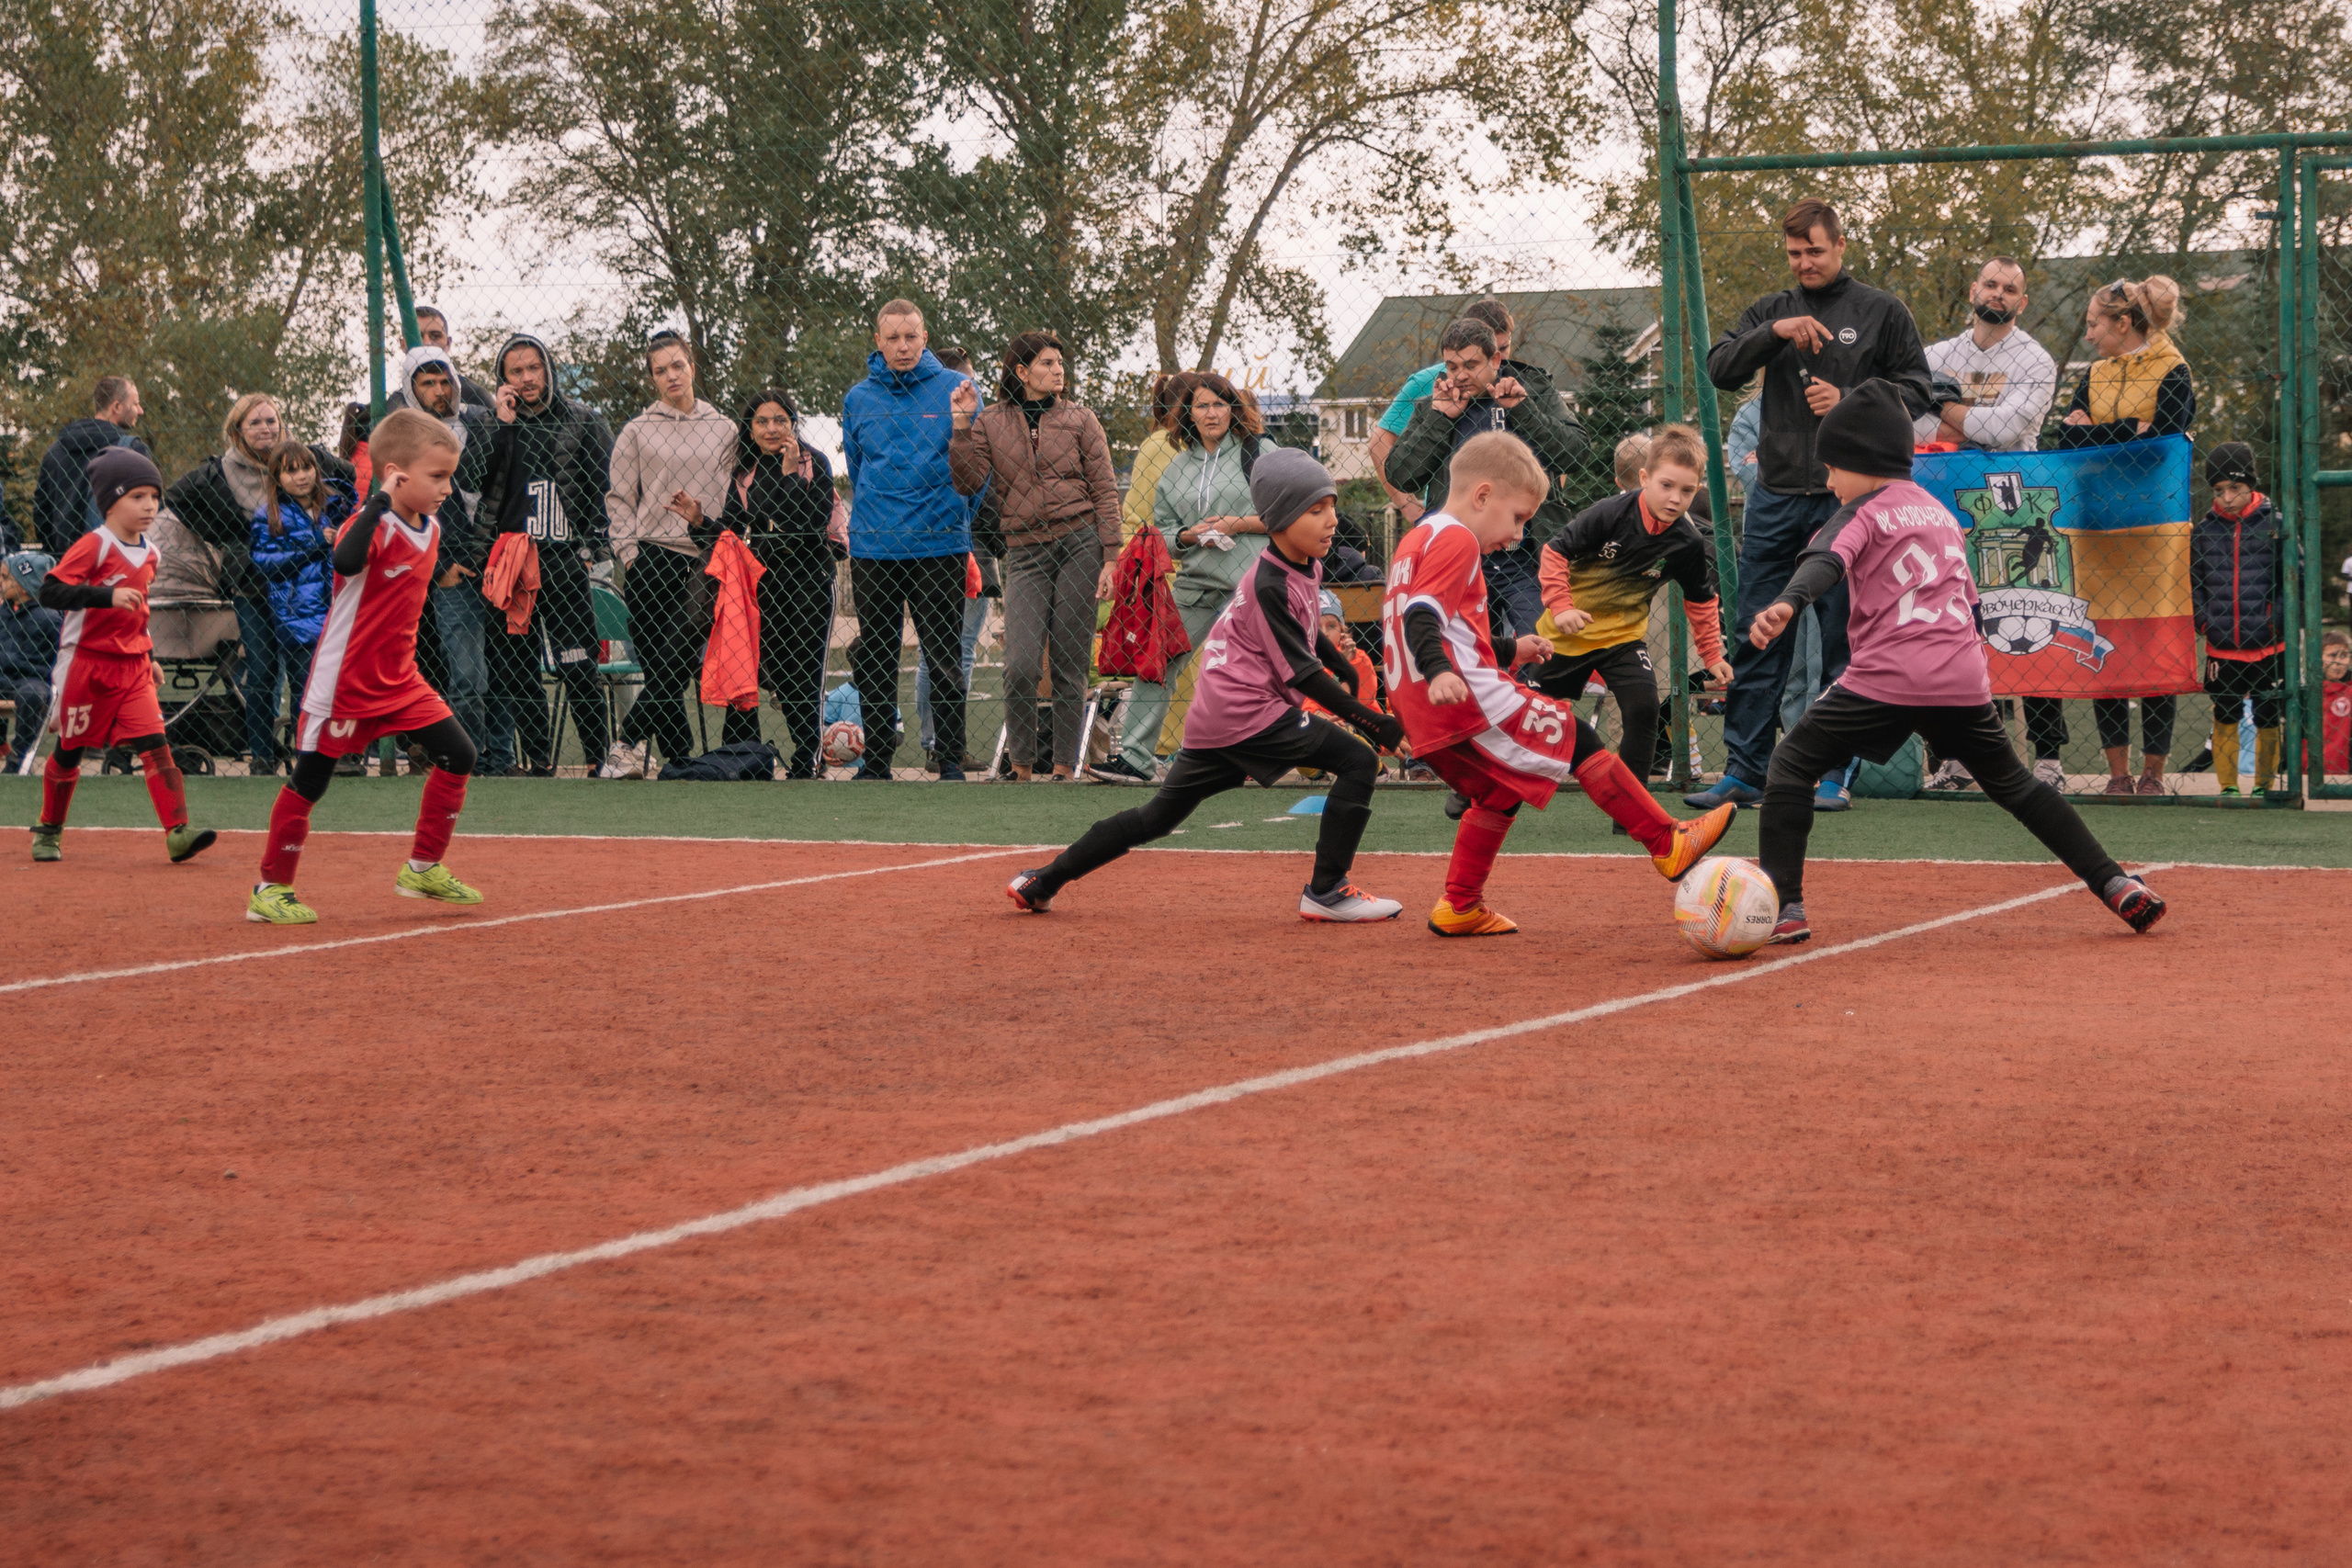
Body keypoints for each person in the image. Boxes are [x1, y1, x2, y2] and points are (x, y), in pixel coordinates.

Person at [1744, 379, 2163, 943]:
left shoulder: (1862, 512)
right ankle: (2116, 884)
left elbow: (1825, 560)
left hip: (1888, 675)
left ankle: (1784, 907)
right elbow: (1967, 602)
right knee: (2017, 786)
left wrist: (1788, 602)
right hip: (1963, 677)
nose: (1828, 479)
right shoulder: (1938, 513)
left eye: (1832, 466)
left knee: (1790, 766)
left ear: (1859, 462)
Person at [1005, 449, 1408, 922]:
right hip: (1250, 714)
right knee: (1358, 759)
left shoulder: (1304, 565)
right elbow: (1301, 673)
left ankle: (1042, 880)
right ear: (1277, 519)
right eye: (1315, 510)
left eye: (1332, 507)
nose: (1332, 520)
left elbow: (1305, 632)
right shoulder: (1269, 584)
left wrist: (1339, 661)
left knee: (1157, 817)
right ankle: (1327, 892)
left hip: (1220, 716)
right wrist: (1376, 724)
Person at [1383, 432, 1734, 937]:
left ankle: (1459, 905)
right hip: (1464, 695)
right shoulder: (1458, 538)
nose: (1520, 535)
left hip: (1420, 707)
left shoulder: (1418, 537)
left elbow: (1450, 628)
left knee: (1499, 795)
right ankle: (1666, 841)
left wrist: (1512, 650)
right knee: (1580, 737)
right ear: (1482, 496)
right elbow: (1422, 616)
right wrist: (1439, 671)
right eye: (1519, 517)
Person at [1692, 197, 1933, 812]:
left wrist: (1852, 398)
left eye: (1815, 251)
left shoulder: (1881, 311)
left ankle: (1830, 773)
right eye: (1795, 253)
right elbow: (1719, 367)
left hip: (1846, 501)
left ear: (1841, 246)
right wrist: (1773, 333)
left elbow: (1920, 393)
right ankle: (1744, 770)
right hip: (1773, 498)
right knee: (1756, 633)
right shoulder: (1771, 311)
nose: (1804, 262)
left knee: (1839, 638)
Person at [247, 411, 484, 925]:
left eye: (450, 476)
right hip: (344, 682)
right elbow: (346, 562)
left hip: (400, 679)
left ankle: (422, 866)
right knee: (311, 781)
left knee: (460, 753)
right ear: (396, 473)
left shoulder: (433, 527)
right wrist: (377, 500)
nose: (447, 487)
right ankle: (270, 888)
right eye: (437, 476)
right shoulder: (369, 522)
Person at [1909, 257, 2064, 792]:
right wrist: (1957, 416)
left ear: (2022, 303)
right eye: (1991, 284)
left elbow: (2001, 432)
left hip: (2014, 499)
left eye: (2010, 290)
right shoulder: (1934, 355)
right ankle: (1958, 758)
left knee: (2028, 619)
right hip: (1944, 501)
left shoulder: (2035, 359)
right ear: (1975, 289)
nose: (1998, 295)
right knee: (1958, 626)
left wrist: (1944, 405)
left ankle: (2049, 760)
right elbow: (1913, 422)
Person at [28, 448, 216, 865]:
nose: (150, 505)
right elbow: (50, 591)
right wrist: (105, 596)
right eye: (138, 496)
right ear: (110, 502)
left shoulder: (151, 552)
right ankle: (49, 828)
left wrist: (148, 654)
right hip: (86, 663)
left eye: (154, 496)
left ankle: (177, 832)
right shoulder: (94, 544)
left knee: (155, 745)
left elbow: (139, 610)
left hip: (131, 665)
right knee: (71, 749)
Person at [948, 330, 1118, 782]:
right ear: (1021, 372)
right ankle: (1020, 765)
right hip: (1024, 550)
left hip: (1080, 543)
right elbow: (967, 481)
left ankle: (1065, 766)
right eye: (1045, 363)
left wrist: (1112, 557)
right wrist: (962, 426)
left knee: (1068, 661)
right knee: (1021, 664)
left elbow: (1104, 490)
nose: (1057, 370)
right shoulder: (989, 421)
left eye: (1059, 363)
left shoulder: (1082, 420)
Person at [1089, 372, 1274, 784]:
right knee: (1158, 661)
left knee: (1257, 668)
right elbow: (1164, 533)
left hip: (1252, 583)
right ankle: (1136, 759)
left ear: (1234, 409)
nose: (1212, 414)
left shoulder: (1259, 452)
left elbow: (1285, 514)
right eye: (1203, 406)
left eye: (1220, 404)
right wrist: (1189, 536)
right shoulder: (1176, 469)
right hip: (1198, 582)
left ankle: (1260, 755)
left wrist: (1237, 525)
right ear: (1188, 414)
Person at [2051, 275, 2194, 795]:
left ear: (2123, 323)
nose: (2088, 336)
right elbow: (2065, 438)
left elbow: (2162, 446)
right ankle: (2117, 773)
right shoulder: (2094, 372)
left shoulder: (2173, 370)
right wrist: (2124, 431)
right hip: (2096, 524)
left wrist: (2098, 434)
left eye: (2094, 324)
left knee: (2155, 641)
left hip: (2155, 526)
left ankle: (2154, 773)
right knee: (2103, 639)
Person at [1525, 424, 1731, 785]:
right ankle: (1479, 790)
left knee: (1643, 708)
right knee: (1528, 719)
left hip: (1623, 639)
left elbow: (1701, 599)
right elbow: (1555, 552)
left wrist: (1712, 655)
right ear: (1643, 478)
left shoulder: (1687, 542)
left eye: (1686, 491)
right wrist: (1562, 607)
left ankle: (1629, 807)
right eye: (1666, 486)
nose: (1674, 499)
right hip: (1565, 636)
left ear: (1697, 490)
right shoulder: (1609, 514)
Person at [166, 392, 357, 772]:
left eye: (271, 420)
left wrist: (318, 474)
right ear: (237, 430)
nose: (265, 428)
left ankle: (313, 752)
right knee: (263, 670)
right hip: (253, 584)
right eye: (255, 422)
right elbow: (176, 497)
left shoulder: (300, 459)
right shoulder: (220, 471)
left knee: (309, 669)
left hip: (301, 588)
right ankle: (261, 758)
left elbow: (348, 477)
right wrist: (230, 536)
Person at [1384, 317, 1588, 639]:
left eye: (1471, 364)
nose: (1461, 375)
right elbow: (1402, 475)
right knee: (1471, 658)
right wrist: (1440, 418)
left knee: (1544, 654)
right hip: (1462, 558)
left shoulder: (1532, 388)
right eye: (1451, 367)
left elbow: (1576, 453)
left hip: (1527, 558)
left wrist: (1523, 411)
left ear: (1495, 359)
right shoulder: (1436, 404)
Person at [840, 299, 972, 781]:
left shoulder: (956, 390)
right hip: (875, 546)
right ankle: (877, 763)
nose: (902, 346)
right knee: (877, 657)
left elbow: (971, 471)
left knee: (943, 655)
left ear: (925, 336)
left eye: (911, 336)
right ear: (877, 340)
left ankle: (950, 759)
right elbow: (857, 469)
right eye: (892, 337)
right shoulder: (858, 398)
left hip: (939, 544)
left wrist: (952, 519)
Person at [599, 330, 736, 778]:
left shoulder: (724, 429)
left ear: (692, 367)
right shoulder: (637, 431)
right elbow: (618, 499)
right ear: (653, 379)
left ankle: (625, 744)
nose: (672, 376)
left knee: (674, 657)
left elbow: (735, 494)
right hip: (652, 557)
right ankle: (682, 762)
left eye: (678, 365)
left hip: (706, 555)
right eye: (661, 370)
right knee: (663, 664)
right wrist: (629, 554)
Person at [480, 332, 614, 776]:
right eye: (515, 371)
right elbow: (473, 478)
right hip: (512, 562)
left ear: (548, 369)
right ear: (502, 379)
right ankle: (540, 761)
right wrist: (501, 424)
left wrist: (593, 546)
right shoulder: (494, 423)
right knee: (519, 667)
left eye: (533, 368)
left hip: (563, 559)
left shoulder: (583, 420)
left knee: (578, 663)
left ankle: (599, 757)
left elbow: (604, 490)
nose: (526, 378)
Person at [710, 389, 842, 777]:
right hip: (766, 584)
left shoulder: (812, 462)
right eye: (762, 422)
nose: (771, 429)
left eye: (780, 420)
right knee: (778, 674)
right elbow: (731, 530)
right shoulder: (744, 472)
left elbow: (809, 524)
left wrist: (788, 477)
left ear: (792, 423)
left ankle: (808, 757)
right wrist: (700, 521)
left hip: (810, 581)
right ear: (749, 429)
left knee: (806, 671)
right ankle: (750, 757)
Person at [400, 344, 498, 753]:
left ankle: (501, 759)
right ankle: (466, 757)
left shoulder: (482, 422)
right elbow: (405, 512)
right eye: (427, 383)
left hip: (498, 562)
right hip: (452, 569)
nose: (439, 390)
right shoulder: (405, 441)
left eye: (445, 381)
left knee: (506, 672)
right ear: (412, 389)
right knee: (467, 676)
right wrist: (440, 567)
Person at [1368, 297, 1521, 526]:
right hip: (1448, 516)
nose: (1499, 358)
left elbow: (1551, 451)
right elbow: (1379, 444)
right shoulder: (1426, 384)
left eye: (1503, 349)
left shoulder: (1518, 385)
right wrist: (1409, 507)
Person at [245, 441, 356, 748]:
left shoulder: (337, 506)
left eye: (307, 468)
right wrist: (314, 545)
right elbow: (266, 564)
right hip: (298, 618)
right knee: (306, 688)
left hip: (340, 614)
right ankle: (306, 750)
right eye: (290, 471)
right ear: (276, 478)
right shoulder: (270, 516)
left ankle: (342, 751)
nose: (302, 477)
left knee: (343, 686)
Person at [914, 345, 993, 772]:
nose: (970, 392)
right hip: (958, 552)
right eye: (966, 383)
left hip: (972, 550)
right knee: (950, 652)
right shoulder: (957, 427)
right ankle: (942, 743)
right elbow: (980, 492)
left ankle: (939, 742)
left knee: (943, 652)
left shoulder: (974, 425)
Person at [2189, 442, 2284, 797]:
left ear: (2251, 486)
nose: (2227, 497)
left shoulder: (2276, 525)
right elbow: (2194, 582)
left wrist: (2278, 623)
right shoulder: (2204, 531)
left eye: (2235, 489)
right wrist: (2204, 622)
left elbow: (2294, 579)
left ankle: (2264, 785)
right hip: (2223, 646)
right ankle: (2228, 786)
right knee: (2225, 712)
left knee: (2268, 715)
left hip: (2269, 644)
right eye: (2219, 490)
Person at [30, 377, 151, 549]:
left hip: (64, 560)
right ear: (116, 407)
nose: (140, 411)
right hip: (113, 560)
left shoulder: (56, 450)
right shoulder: (132, 450)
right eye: (135, 404)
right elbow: (145, 513)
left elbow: (42, 514)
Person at [2, 550, 62, 772]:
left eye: (6, 577)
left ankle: (18, 757)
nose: (0, 582)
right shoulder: (3, 612)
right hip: (3, 678)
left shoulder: (49, 617)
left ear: (26, 584)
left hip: (32, 678)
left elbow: (57, 659)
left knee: (33, 695)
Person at [385, 306, 496, 414]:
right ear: (403, 345)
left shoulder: (475, 395)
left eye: (435, 336)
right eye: (417, 337)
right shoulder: (395, 402)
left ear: (448, 343)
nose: (427, 343)